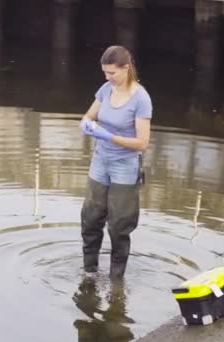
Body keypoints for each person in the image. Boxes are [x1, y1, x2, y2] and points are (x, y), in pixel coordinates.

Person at [78, 45, 152, 280]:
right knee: (90, 217)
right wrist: (86, 124)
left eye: (112, 73)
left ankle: (116, 281)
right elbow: (90, 115)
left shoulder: (141, 99)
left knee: (119, 226)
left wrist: (110, 137)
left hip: (125, 165)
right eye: (105, 72)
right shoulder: (105, 90)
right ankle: (89, 272)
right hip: (100, 160)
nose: (107, 77)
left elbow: (142, 143)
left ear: (126, 68)